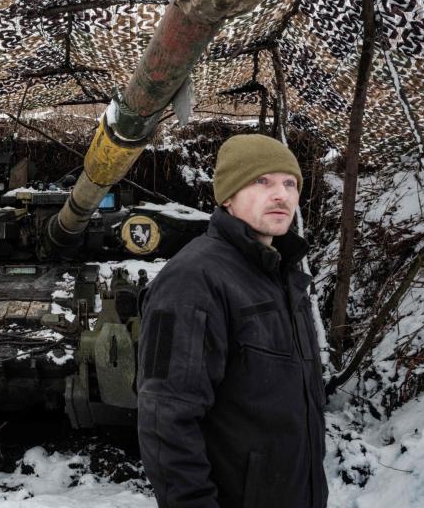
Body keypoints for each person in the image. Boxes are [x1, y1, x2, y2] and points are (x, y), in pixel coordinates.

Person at [137, 134, 327, 508]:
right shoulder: (193, 279)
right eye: (262, 181)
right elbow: (166, 419)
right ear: (227, 196)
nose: (281, 195)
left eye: (290, 183)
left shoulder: (281, 274)